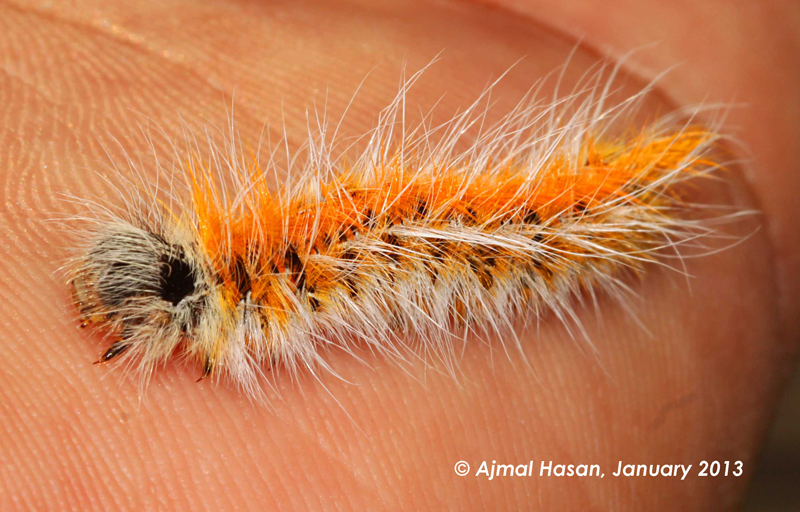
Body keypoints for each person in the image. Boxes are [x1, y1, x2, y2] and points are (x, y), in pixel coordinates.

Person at [0, 0, 797, 509]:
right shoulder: (270, 264)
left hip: (561, 230)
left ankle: (629, 196)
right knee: (430, 230)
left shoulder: (270, 283)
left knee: (476, 232)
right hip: (533, 226)